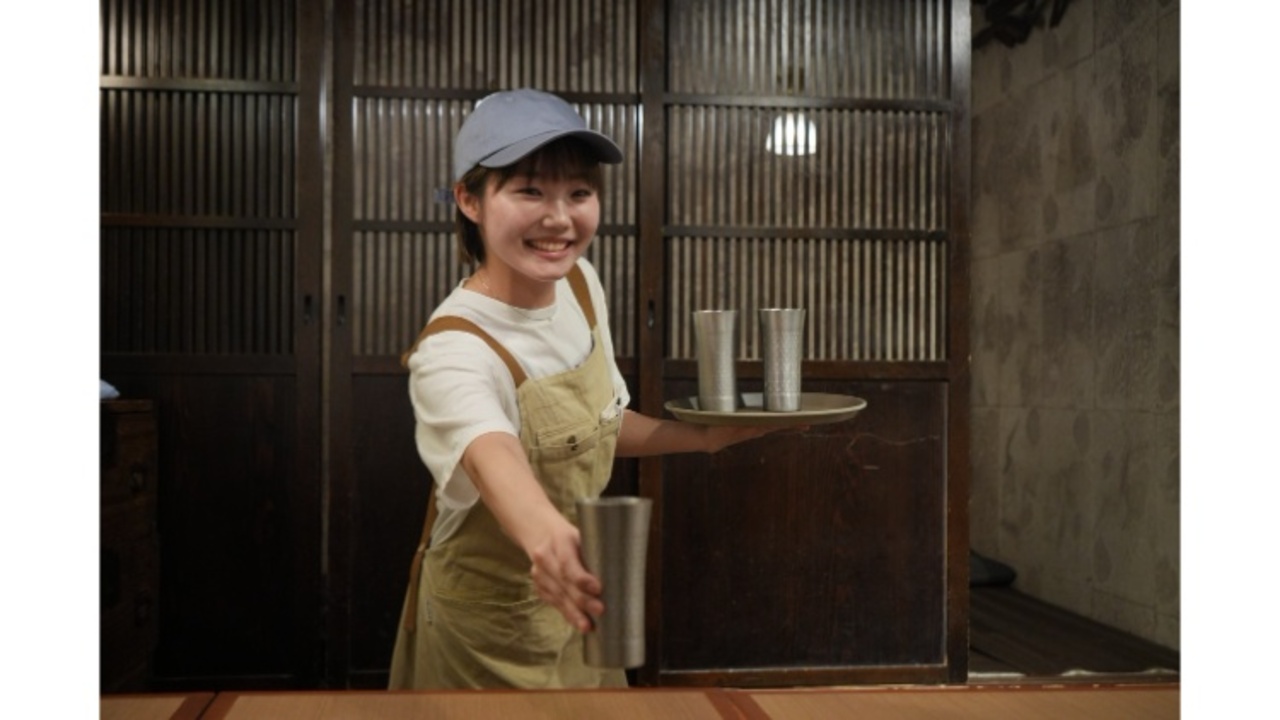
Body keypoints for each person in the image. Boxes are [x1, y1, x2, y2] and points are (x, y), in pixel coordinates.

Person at [388, 88, 779, 690]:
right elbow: (495, 457)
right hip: (486, 627)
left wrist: (705, 438)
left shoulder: (579, 285)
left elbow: (595, 423)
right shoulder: (453, 350)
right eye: (529, 191)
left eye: (579, 192)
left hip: (573, 599)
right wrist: (548, 538)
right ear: (470, 199)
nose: (559, 219)